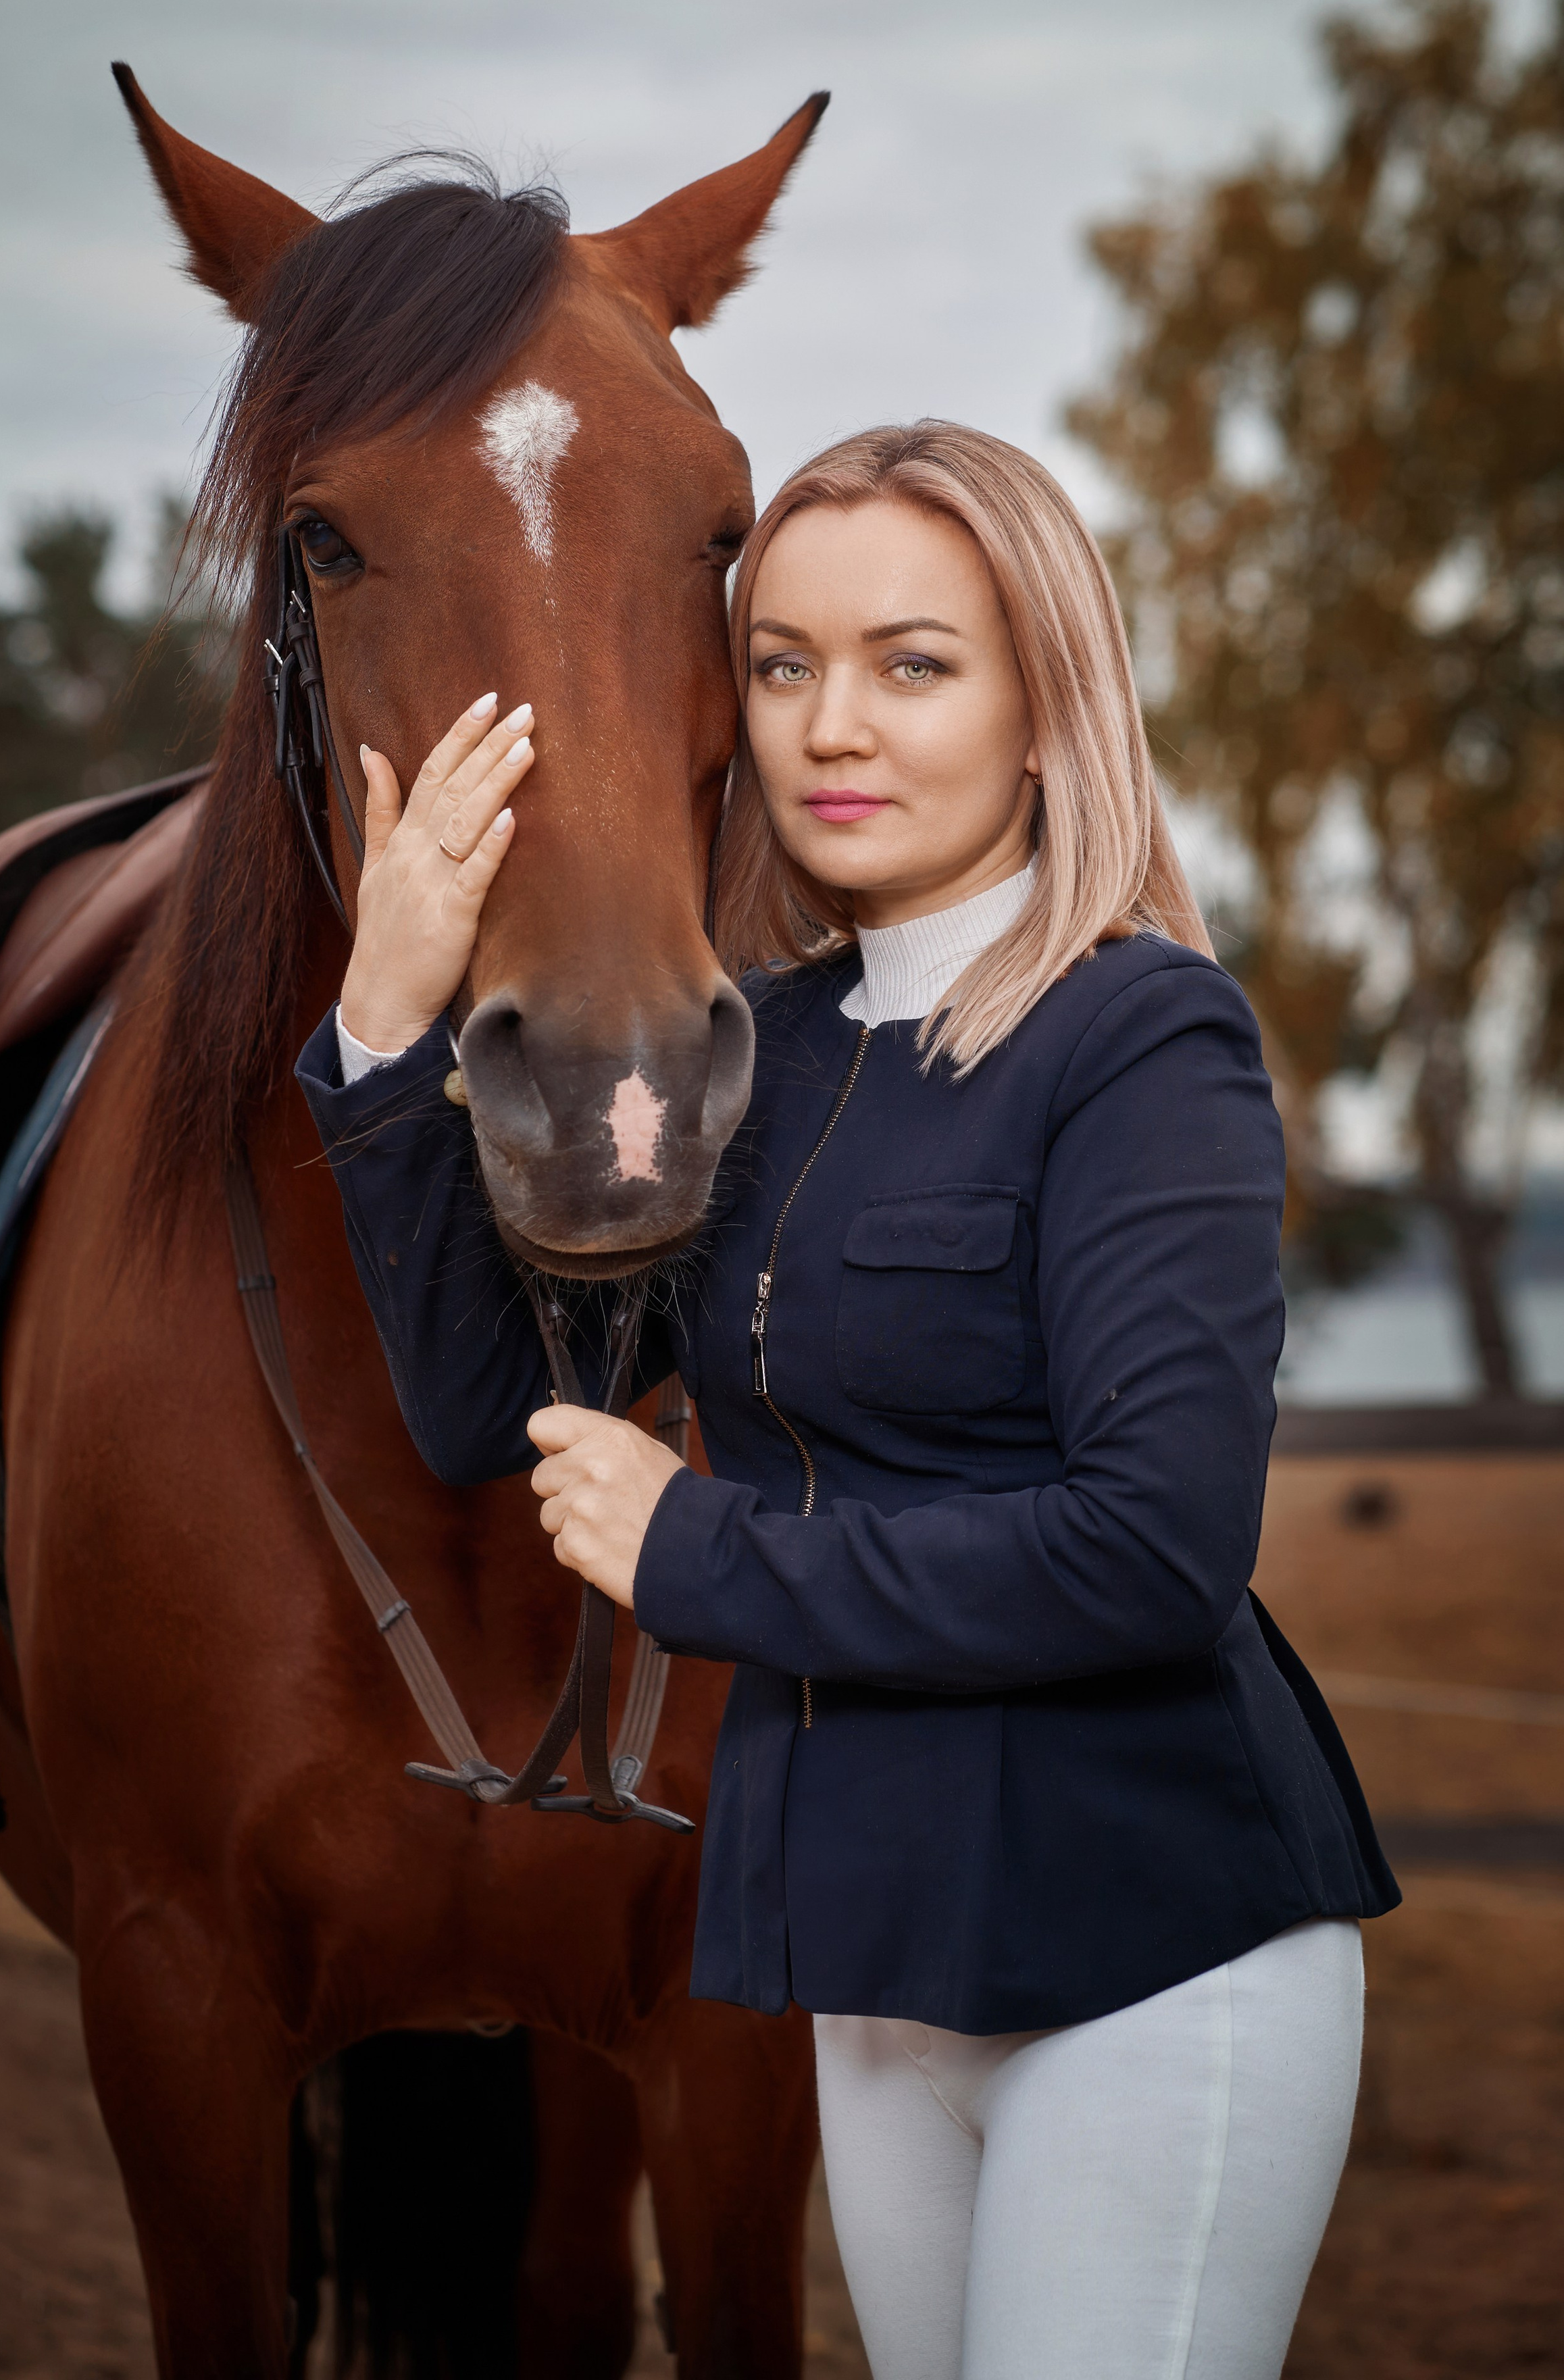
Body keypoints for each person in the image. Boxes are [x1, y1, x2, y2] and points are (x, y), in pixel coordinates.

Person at [297, 422, 1398, 2380]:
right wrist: (385, 1025)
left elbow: (1154, 1552)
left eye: (914, 663)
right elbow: (486, 1413)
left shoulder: (1143, 1038)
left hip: (1150, 1945)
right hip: (876, 1966)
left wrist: (699, 1552)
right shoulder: (766, 1048)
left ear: (1046, 709)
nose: (831, 727)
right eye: (784, 663)